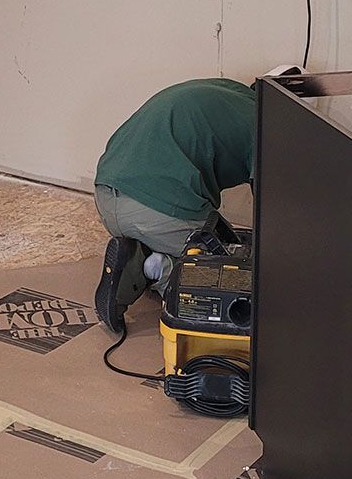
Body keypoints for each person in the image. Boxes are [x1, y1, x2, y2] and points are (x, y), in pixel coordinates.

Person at [92, 76, 257, 333]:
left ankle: (139, 253)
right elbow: (279, 215)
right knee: (230, 280)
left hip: (106, 193)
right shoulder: (267, 128)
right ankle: (155, 269)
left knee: (222, 233)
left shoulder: (228, 91)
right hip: (155, 212)